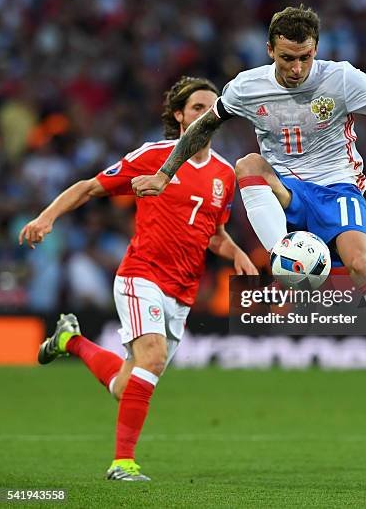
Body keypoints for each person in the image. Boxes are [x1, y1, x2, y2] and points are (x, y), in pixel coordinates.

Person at [130, 5, 366, 406]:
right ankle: (284, 259)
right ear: (269, 51)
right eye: (287, 58)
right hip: (285, 189)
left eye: (305, 57)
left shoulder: (342, 77)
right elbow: (203, 125)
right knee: (248, 164)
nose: (296, 69)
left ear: (316, 49)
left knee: (363, 265)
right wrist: (164, 174)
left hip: (336, 187)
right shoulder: (246, 86)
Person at [19, 76, 258, 482]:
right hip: (141, 275)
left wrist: (236, 253)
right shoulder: (155, 156)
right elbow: (90, 187)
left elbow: (213, 234)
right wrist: (47, 217)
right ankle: (122, 464)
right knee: (152, 357)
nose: (207, 115)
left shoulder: (225, 175)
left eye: (212, 108)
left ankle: (69, 340)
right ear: (179, 115)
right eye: (197, 108)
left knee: (125, 386)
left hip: (182, 293)